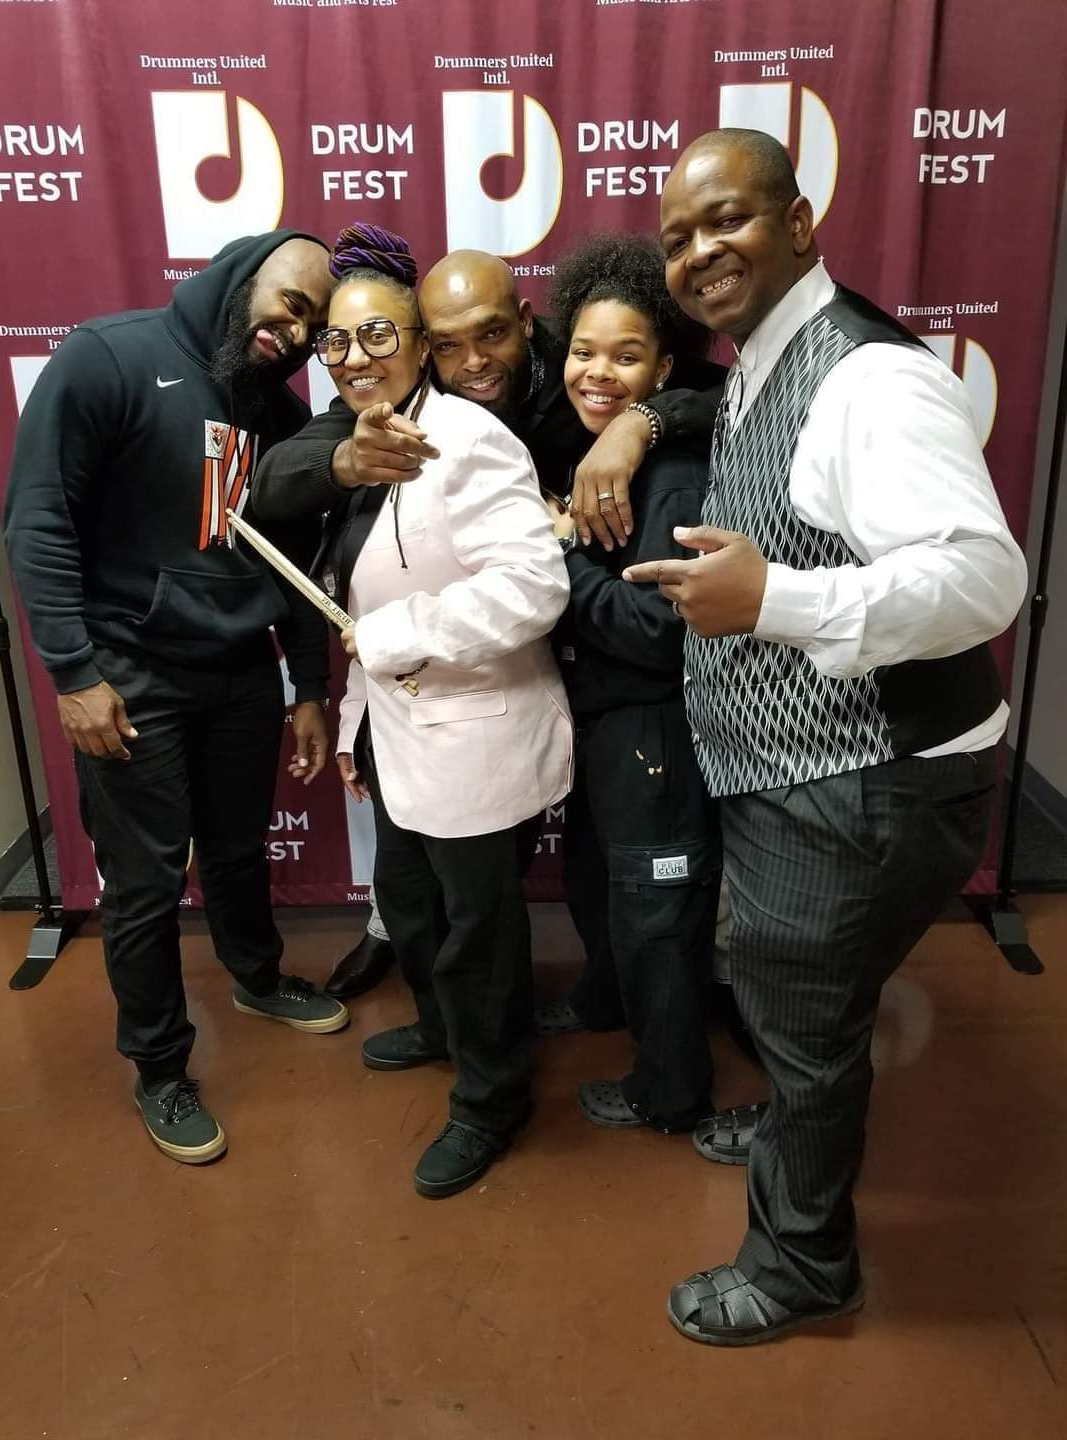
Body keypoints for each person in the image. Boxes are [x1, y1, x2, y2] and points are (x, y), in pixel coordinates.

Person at [624, 128, 1027, 1344]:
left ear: (800, 223)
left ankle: (804, 1269)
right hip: (811, 774)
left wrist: (775, 600)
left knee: (802, 1016)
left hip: (861, 782)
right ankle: (801, 1113)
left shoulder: (868, 381)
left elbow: (982, 578)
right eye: (679, 238)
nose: (700, 252)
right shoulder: (765, 356)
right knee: (803, 1001)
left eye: (728, 220)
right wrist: (633, 422)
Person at [250, 246, 724, 1002]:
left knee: (603, 870)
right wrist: (346, 460)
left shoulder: (580, 364)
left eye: (492, 334)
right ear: (423, 347)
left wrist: (639, 423)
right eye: (447, 344)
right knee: (436, 873)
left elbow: (721, 394)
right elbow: (274, 479)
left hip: (606, 654)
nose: (473, 362)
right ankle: (415, 954)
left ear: (529, 323)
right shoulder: (409, 399)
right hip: (472, 675)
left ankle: (656, 1006)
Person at [4, 231, 349, 1167]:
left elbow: (295, 562)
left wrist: (309, 685)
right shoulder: (108, 357)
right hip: (129, 672)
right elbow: (37, 518)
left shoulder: (278, 413)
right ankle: (160, 1066)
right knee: (148, 881)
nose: (297, 332)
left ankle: (256, 978)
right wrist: (75, 674)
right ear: (243, 274)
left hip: (239, 669)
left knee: (237, 848)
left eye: (315, 325)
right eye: (291, 303)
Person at [286, 224, 573, 1197]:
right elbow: (363, 597)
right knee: (409, 910)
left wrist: (400, 636)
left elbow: (534, 588)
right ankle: (445, 1031)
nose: (355, 356)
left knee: (476, 936)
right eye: (338, 340)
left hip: (475, 737)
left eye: (378, 335)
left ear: (417, 345)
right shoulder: (366, 446)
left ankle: (492, 1097)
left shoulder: (470, 438)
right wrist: (355, 717)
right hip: (400, 733)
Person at [542, 233, 726, 1137]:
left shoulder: (674, 474)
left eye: (625, 356)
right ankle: (604, 997)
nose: (597, 373)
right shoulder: (592, 454)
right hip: (605, 727)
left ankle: (671, 1090)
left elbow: (659, 634)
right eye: (583, 351)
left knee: (656, 915)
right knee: (598, 882)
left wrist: (563, 557)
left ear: (662, 370)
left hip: (656, 729)